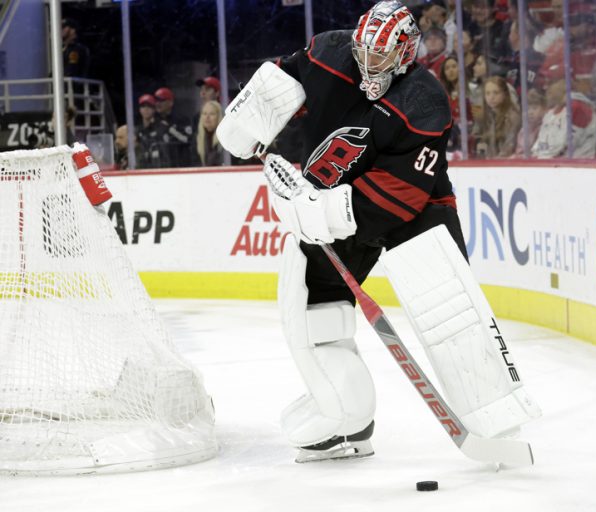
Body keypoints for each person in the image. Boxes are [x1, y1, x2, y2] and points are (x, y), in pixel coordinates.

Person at [216, 0, 539, 463]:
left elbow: (398, 196)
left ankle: (500, 419)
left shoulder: (425, 102)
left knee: (453, 312)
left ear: (406, 54)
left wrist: (318, 211)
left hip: (418, 208)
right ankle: (346, 419)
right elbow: (280, 79)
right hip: (327, 197)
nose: (369, 62)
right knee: (309, 311)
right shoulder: (329, 51)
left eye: (382, 56)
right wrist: (247, 120)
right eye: (363, 50)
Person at [472, 75, 521, 157]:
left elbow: (509, 146)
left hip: (506, 164)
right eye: (487, 93)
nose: (491, 97)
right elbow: (475, 136)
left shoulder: (512, 117)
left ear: (505, 94)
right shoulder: (484, 115)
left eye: (496, 93)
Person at [154, 87, 193, 166]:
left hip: (181, 165)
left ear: (171, 102)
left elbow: (187, 140)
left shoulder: (182, 120)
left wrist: (169, 129)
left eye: (161, 100)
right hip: (161, 167)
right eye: (156, 100)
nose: (158, 103)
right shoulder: (154, 121)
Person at [136, 94, 171, 168]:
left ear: (154, 109)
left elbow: (166, 154)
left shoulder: (162, 127)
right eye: (143, 106)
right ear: (139, 109)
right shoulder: (137, 130)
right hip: (141, 169)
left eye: (149, 106)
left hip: (158, 169)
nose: (146, 109)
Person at [195, 101, 224, 166]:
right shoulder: (196, 139)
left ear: (219, 117)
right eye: (204, 113)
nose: (207, 117)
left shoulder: (225, 140)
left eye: (212, 114)